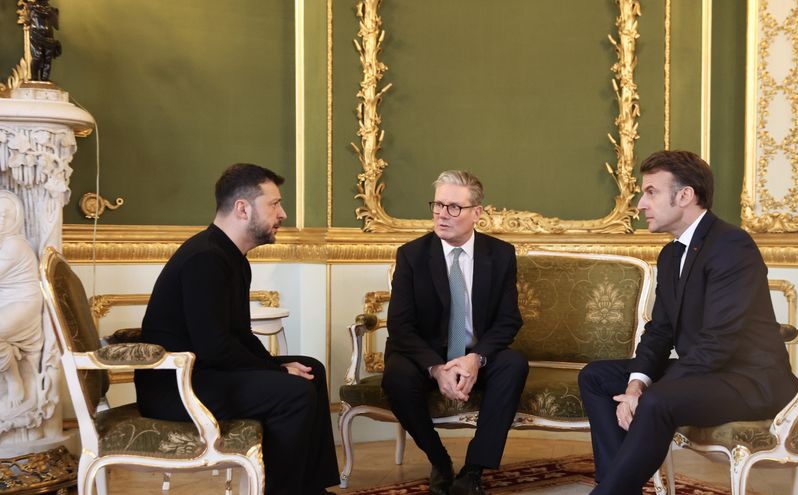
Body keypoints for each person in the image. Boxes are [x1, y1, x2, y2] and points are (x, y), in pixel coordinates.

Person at [578, 150, 798, 494]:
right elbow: (660, 331)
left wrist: (650, 393)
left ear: (684, 196)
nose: (640, 204)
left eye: (651, 192)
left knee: (658, 400)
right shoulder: (671, 254)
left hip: (750, 380)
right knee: (596, 376)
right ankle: (616, 486)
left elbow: (719, 342)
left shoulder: (732, 245)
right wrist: (636, 385)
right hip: (708, 372)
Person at [135, 164, 339, 495]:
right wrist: (277, 372)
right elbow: (214, 346)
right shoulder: (205, 258)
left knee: (310, 370)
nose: (283, 214)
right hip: (176, 387)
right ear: (243, 209)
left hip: (205, 374)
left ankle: (312, 489)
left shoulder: (231, 257)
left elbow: (239, 336)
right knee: (295, 393)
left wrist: (277, 366)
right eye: (275, 204)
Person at [382, 170, 528, 495]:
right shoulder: (412, 255)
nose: (441, 214)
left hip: (477, 354)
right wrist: (436, 368)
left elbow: (508, 320)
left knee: (514, 364)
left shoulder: (500, 254)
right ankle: (440, 461)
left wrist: (476, 359)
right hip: (424, 354)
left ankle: (473, 471)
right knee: (396, 376)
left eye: (453, 207)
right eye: (437, 205)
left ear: (477, 213)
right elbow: (400, 326)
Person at [0, 191, 43, 414]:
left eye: (5, 215)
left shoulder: (13, 245)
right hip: (7, 301)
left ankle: (14, 379)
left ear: (16, 218)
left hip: (24, 302)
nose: (1, 219)